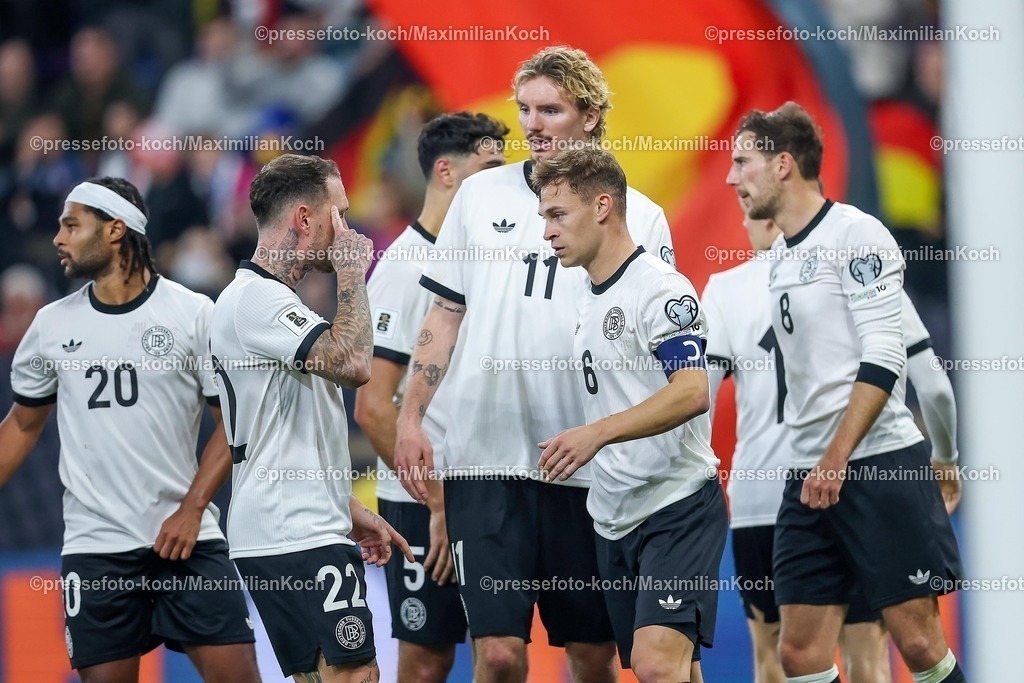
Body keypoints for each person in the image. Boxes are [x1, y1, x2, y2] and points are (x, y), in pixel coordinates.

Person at [393, 46, 675, 683]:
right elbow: (443, 316)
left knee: (593, 655)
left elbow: (654, 346)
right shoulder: (478, 197)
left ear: (592, 115)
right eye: (525, 109)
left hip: (585, 465)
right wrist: (412, 415)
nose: (534, 124)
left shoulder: (643, 218)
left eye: (551, 108)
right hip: (484, 460)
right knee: (497, 654)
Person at [725, 102, 965, 683]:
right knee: (800, 654)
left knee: (918, 643)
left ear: (783, 165)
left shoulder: (857, 235)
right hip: (807, 478)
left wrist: (840, 459)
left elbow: (887, 358)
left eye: (743, 162)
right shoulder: (780, 257)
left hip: (876, 465)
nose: (732, 178)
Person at [0, 177, 261, 683]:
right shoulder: (50, 326)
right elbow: (21, 426)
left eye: (72, 225)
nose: (58, 238)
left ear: (115, 230)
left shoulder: (193, 313)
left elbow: (234, 420)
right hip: (97, 552)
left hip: (188, 544)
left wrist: (192, 509)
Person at [209, 153, 413, 683]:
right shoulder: (257, 299)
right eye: (338, 215)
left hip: (292, 524)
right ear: (304, 218)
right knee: (356, 676)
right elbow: (354, 363)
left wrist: (342, 505)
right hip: (293, 530)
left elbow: (280, 432)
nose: (348, 228)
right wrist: (352, 269)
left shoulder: (267, 303)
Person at [532, 146, 726, 683]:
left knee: (656, 664)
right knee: (675, 670)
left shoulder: (661, 289)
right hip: (613, 514)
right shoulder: (586, 299)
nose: (546, 232)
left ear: (601, 207)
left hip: (676, 503)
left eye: (557, 215)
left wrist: (597, 434)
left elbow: (691, 391)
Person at [354, 111, 508, 682]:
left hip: (490, 485)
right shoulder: (403, 268)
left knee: (500, 651)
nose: (501, 182)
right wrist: (438, 502)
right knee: (427, 661)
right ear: (445, 171)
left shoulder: (486, 263)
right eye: (488, 167)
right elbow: (372, 406)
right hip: (423, 502)